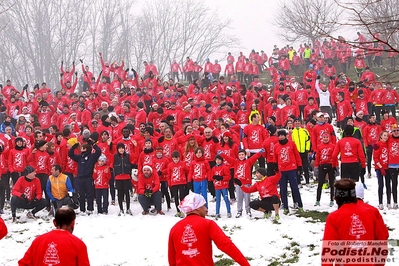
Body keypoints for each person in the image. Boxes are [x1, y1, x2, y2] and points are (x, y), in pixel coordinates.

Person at [168, 193, 250, 266]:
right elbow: (226, 245)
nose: (206, 210)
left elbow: (171, 258)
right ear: (198, 208)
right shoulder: (208, 224)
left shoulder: (174, 229)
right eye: (204, 206)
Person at [322, 179, 389, 266]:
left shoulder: (334, 217)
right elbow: (381, 241)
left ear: (336, 198)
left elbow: (328, 253)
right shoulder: (371, 212)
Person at [18, 207, 90, 266]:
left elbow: (24, 264)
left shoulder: (38, 241)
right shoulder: (78, 244)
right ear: (73, 222)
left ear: (54, 222)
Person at [68, 137, 101, 215]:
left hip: (88, 178)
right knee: (81, 194)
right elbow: (70, 154)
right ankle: (82, 209)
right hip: (80, 178)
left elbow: (98, 151)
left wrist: (93, 144)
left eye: (82, 148)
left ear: (85, 149)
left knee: (90, 194)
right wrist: (74, 146)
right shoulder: (79, 157)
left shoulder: (92, 157)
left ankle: (90, 209)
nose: (80, 149)